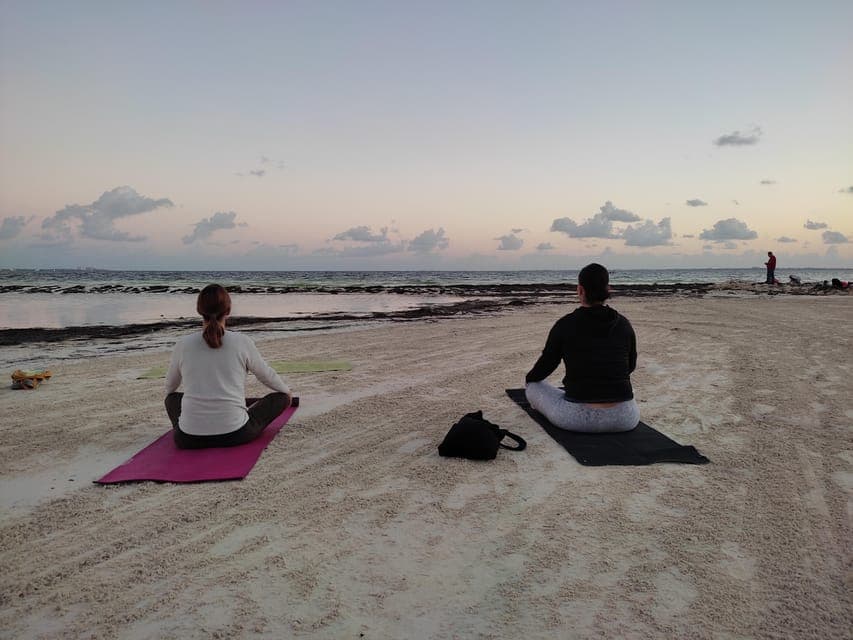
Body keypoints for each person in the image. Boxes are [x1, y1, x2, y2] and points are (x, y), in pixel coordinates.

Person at [164, 284, 292, 449]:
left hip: (188, 439)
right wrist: (287, 393)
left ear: (199, 310)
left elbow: (170, 388)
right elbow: (265, 375)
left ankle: (196, 424)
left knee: (171, 399)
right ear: (228, 311)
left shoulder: (183, 344)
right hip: (236, 434)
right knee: (281, 397)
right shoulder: (242, 342)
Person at [524, 263, 639, 433]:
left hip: (578, 418)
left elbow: (546, 366)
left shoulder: (565, 324)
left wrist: (530, 380)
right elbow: (630, 366)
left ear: (580, 290)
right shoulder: (624, 324)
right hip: (625, 418)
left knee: (533, 387)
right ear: (608, 289)